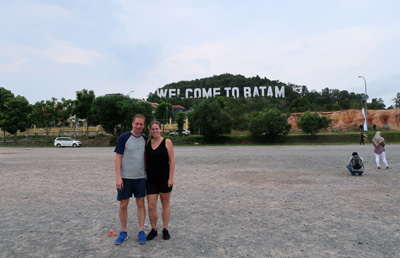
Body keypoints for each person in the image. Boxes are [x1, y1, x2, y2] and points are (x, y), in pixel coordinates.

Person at [114, 114, 147, 245]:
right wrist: (118, 177)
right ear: (132, 123)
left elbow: (145, 157)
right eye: (136, 123)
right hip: (125, 178)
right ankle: (123, 231)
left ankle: (141, 231)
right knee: (123, 205)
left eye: (141, 124)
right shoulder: (124, 137)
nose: (138, 126)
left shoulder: (144, 138)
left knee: (140, 204)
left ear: (144, 125)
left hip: (140, 178)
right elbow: (118, 158)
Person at [145, 121, 175, 241]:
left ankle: (165, 228)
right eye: (152, 129)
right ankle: (153, 229)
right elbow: (146, 160)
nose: (155, 131)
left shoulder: (167, 142)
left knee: (165, 204)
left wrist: (171, 177)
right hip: (151, 179)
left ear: (160, 129)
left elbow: (172, 161)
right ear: (150, 130)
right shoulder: (148, 142)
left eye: (157, 129)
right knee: (151, 205)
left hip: (164, 179)